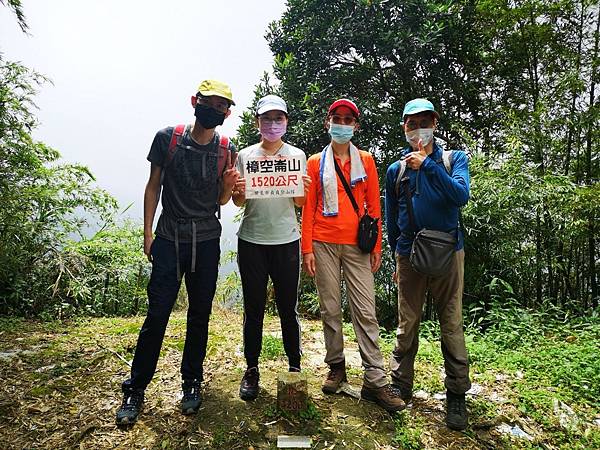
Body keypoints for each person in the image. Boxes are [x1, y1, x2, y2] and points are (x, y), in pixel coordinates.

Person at [116, 80, 239, 425]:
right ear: (194, 101)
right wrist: (147, 231)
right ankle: (135, 389)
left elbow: (220, 200)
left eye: (223, 106)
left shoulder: (226, 148)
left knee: (199, 316)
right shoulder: (167, 138)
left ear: (227, 113)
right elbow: (154, 184)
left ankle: (192, 383)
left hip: (206, 240)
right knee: (157, 315)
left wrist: (227, 188)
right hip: (169, 237)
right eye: (211, 103)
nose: (217, 111)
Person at [301, 98, 405, 413]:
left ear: (355, 126)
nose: (342, 123)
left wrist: (377, 247)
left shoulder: (367, 161)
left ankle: (375, 379)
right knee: (330, 308)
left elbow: (374, 205)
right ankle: (336, 366)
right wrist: (306, 247)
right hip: (323, 241)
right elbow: (308, 207)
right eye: (337, 118)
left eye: (348, 119)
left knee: (365, 310)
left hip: (358, 244)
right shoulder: (315, 162)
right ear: (327, 123)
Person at [384, 98, 471, 430]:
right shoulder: (397, 170)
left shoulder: (453, 160)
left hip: (450, 252)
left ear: (434, 125)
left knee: (451, 323)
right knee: (408, 322)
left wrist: (429, 166)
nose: (418, 128)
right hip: (409, 254)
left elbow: (459, 196)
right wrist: (396, 256)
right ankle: (400, 385)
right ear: (404, 127)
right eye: (411, 123)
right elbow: (393, 221)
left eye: (424, 121)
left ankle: (456, 396)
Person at [232, 94, 311, 400]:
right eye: (267, 119)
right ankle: (251, 369)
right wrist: (237, 190)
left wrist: (303, 190)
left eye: (279, 118)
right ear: (257, 123)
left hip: (287, 240)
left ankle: (294, 367)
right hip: (252, 239)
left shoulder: (297, 156)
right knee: (253, 310)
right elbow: (239, 201)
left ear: (287, 122)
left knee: (288, 309)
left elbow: (300, 203)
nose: (273, 124)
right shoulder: (246, 156)